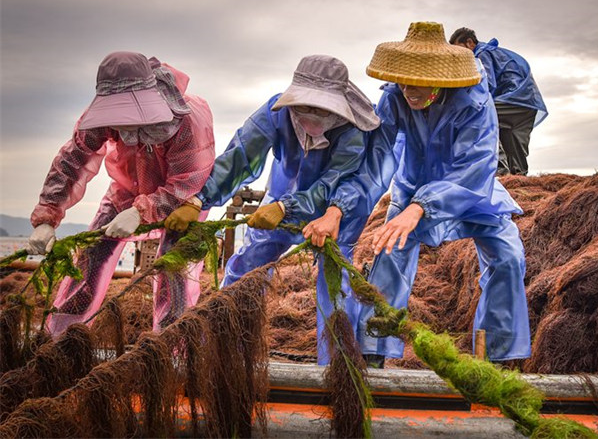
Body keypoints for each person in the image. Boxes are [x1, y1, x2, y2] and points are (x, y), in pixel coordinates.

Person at [305, 22, 531, 367]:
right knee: (389, 251)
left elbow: (476, 166)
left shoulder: (475, 102)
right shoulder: (394, 99)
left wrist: (422, 207)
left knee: (508, 254)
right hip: (411, 188)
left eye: (418, 82)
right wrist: (337, 208)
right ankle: (372, 353)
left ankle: (497, 359)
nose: (409, 89)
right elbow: (376, 164)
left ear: (441, 81)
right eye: (403, 80)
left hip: (469, 191)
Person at [164, 54, 380, 365]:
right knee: (246, 269)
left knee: (335, 286)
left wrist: (287, 206)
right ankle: (226, 356)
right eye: (305, 106)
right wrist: (199, 201)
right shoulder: (274, 113)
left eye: (321, 109)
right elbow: (238, 157)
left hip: (334, 212)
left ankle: (337, 367)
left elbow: (335, 181)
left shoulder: (352, 130)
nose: (311, 114)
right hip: (278, 201)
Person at [28, 51, 216, 336]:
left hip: (183, 202)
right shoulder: (98, 120)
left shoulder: (188, 121)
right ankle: (63, 337)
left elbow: (187, 179)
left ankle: (171, 346)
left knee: (173, 267)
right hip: (126, 191)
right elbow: (73, 159)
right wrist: (47, 214)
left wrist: (143, 211)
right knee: (92, 255)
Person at [449, 27, 548, 176]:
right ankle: (518, 179)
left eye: (460, 49)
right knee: (513, 140)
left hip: (514, 98)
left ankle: (500, 171)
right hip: (528, 102)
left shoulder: (482, 53)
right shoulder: (494, 52)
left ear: (469, 42)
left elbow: (486, 84)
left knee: (481, 116)